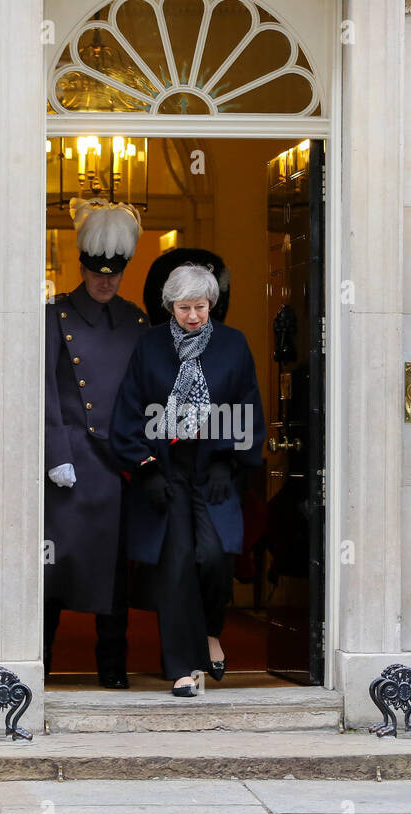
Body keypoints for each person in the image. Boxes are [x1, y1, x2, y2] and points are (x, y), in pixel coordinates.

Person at [110, 264, 266, 697]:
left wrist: (228, 462)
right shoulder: (150, 345)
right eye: (184, 308)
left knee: (214, 557)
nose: (193, 316)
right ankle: (182, 668)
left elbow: (247, 405)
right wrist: (146, 467)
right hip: (167, 467)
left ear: (211, 305)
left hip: (212, 466)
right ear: (170, 306)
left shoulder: (233, 345)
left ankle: (211, 630)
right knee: (176, 566)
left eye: (200, 307)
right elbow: (129, 408)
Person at [44, 198, 150, 688]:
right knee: (54, 571)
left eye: (114, 273)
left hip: (118, 463)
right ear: (83, 267)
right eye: (97, 272)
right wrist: (55, 454)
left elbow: (146, 392)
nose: (105, 281)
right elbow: (44, 389)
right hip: (71, 462)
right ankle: (38, 667)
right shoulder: (54, 318)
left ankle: (113, 669)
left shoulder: (135, 321)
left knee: (115, 575)